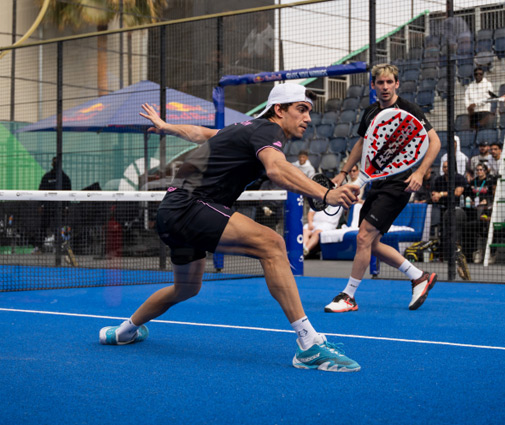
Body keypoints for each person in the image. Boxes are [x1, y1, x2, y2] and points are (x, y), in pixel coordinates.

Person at [98, 84, 363, 372]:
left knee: (185, 288)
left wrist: (167, 127)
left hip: (172, 212)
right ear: (279, 110)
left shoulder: (246, 129)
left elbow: (202, 134)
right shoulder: (268, 131)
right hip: (191, 206)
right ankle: (309, 345)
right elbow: (276, 169)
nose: (308, 118)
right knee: (272, 244)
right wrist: (325, 194)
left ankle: (124, 331)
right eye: (301, 109)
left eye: (309, 112)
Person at [325, 63, 442, 313]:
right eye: (381, 83)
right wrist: (345, 173)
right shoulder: (370, 112)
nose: (385, 87)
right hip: (376, 184)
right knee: (371, 242)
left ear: (397, 84)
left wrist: (420, 172)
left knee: (364, 236)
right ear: (373, 86)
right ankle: (419, 277)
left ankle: (349, 296)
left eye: (390, 82)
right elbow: (362, 144)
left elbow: (435, 141)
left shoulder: (409, 110)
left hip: (399, 184)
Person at [431, 160, 468, 257]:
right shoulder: (439, 179)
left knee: (454, 229)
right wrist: (435, 196)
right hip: (442, 208)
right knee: (443, 232)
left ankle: (457, 253)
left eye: (447, 167)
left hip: (458, 209)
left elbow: (457, 193)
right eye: (444, 167)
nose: (445, 169)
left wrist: (441, 194)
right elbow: (434, 193)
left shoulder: (459, 178)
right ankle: (444, 255)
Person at [34, 157, 72, 252]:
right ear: (52, 164)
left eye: (57, 163)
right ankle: (39, 247)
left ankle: (59, 247)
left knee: (59, 228)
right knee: (43, 226)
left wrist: (66, 207)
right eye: (54, 162)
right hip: (47, 207)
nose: (55, 164)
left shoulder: (65, 178)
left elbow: (69, 194)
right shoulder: (47, 177)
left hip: (60, 208)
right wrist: (40, 205)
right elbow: (41, 191)